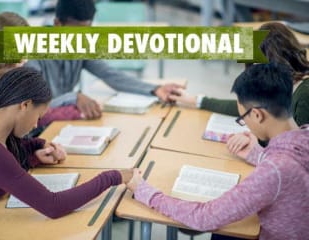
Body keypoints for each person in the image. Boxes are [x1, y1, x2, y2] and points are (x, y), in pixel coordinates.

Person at [126, 63, 309, 240]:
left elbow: (205, 217)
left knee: (222, 229)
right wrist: (259, 155)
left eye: (242, 117)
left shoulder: (274, 170)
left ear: (257, 115)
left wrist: (146, 192)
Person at [0, 67, 133, 232]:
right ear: (25, 105)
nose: (36, 124)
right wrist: (113, 177)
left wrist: (36, 147)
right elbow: (53, 205)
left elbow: (3, 157)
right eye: (38, 116)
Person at [25, 0, 184, 120]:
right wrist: (74, 97)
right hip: (35, 128)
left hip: (61, 122)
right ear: (57, 24)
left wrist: (155, 89)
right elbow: (33, 107)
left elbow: (110, 75)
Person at [0, 12, 81, 142]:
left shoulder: (11, 75)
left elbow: (32, 116)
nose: (25, 59)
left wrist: (35, 151)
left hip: (2, 155)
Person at [169, 22, 309, 126]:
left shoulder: (303, 97)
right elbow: (248, 106)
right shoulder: (282, 84)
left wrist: (257, 144)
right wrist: (195, 100)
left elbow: (300, 153)